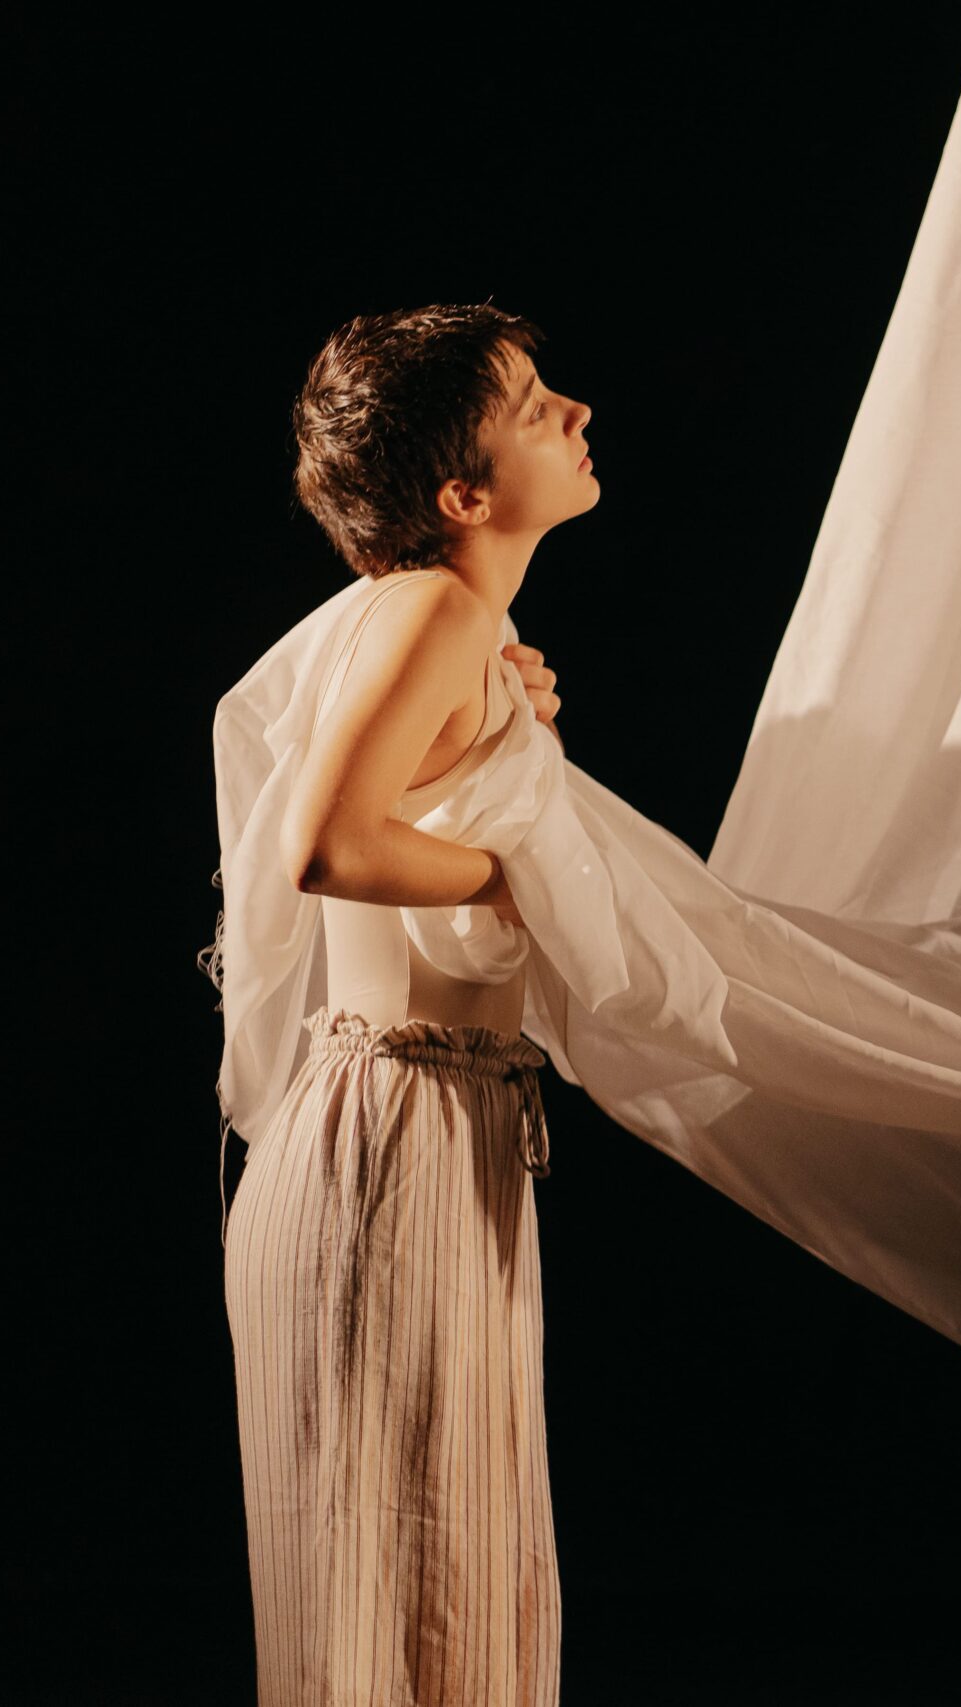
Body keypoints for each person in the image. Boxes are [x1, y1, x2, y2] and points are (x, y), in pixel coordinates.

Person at [221, 302, 592, 1706]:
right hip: (393, 1139)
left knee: (430, 1596)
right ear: (463, 496)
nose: (576, 413)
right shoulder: (435, 608)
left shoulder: (441, 624)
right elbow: (327, 843)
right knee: (393, 1612)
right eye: (535, 405)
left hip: (427, 1129)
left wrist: (508, 723)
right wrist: (521, 875)